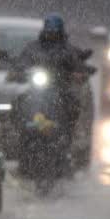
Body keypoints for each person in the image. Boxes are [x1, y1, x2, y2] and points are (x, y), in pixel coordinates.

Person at [15, 14, 92, 142]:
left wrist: (79, 73)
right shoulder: (33, 48)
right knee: (20, 100)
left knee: (73, 103)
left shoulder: (68, 50)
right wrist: (17, 71)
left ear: (60, 32)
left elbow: (78, 64)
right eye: (49, 32)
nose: (51, 35)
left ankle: (71, 131)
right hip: (37, 89)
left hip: (61, 87)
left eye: (54, 32)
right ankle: (19, 128)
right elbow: (23, 62)